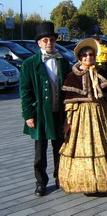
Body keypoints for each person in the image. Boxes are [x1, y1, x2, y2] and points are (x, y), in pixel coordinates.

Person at [58, 38, 107, 194]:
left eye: (91, 55)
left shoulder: (101, 73)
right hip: (81, 116)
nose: (88, 58)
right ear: (80, 57)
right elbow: (68, 102)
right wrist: (68, 121)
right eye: (85, 55)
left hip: (100, 113)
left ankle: (105, 181)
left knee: (104, 143)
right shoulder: (71, 76)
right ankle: (85, 182)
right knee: (82, 147)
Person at [19, 22, 71, 197]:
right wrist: (28, 115)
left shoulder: (63, 62)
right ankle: (41, 182)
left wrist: (68, 116)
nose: (49, 43)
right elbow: (25, 91)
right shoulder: (29, 64)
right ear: (39, 43)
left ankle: (60, 178)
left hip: (59, 112)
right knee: (40, 152)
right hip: (40, 113)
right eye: (45, 40)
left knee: (60, 148)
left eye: (52, 40)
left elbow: (69, 88)